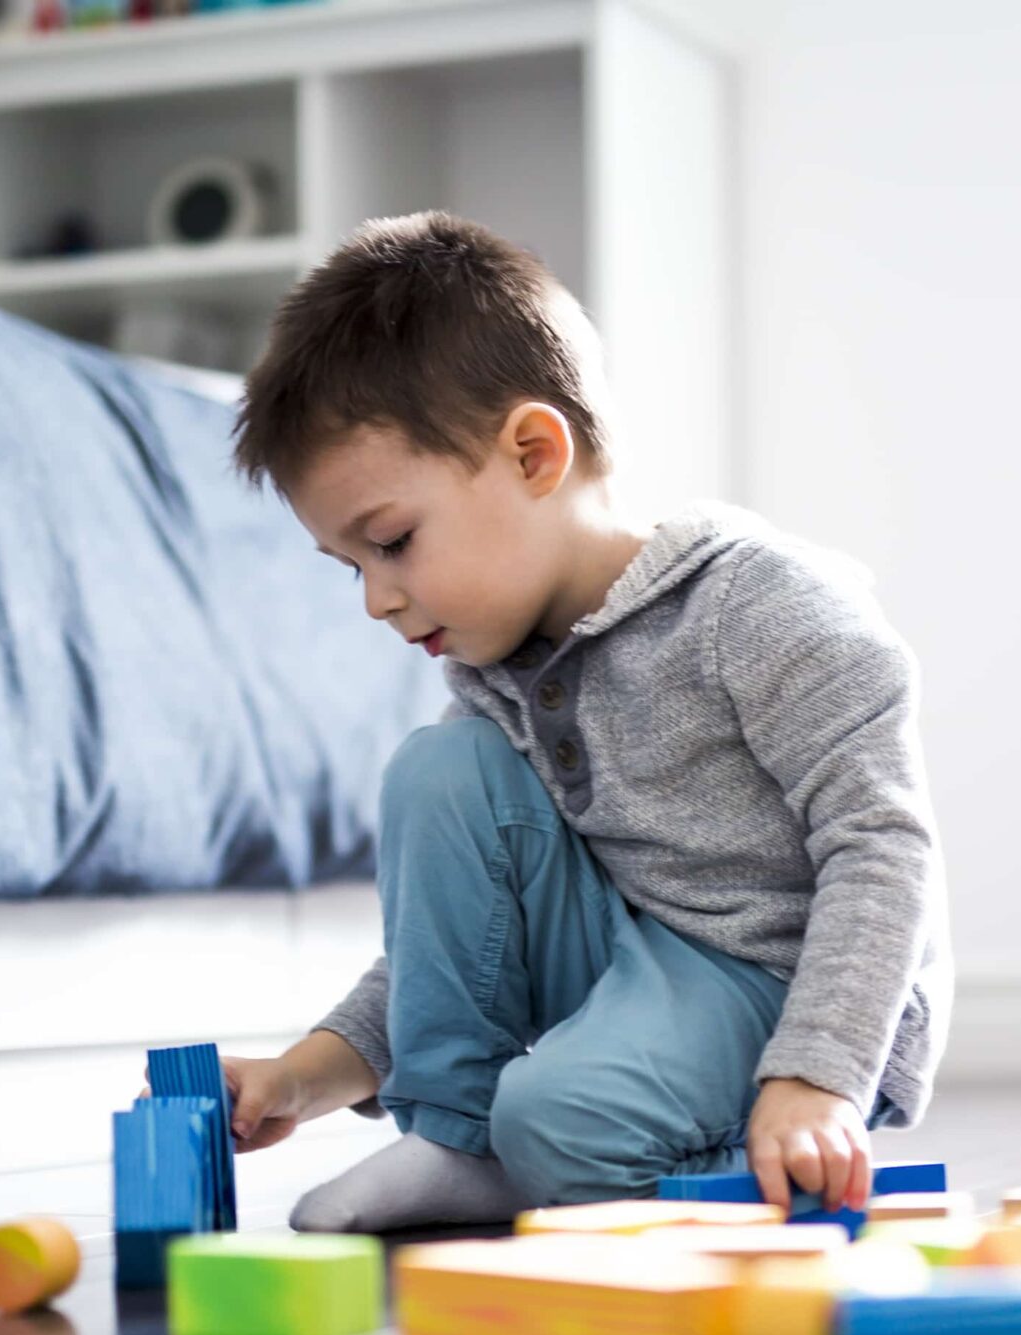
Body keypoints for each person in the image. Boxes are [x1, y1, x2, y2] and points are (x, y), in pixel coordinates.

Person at [216, 211, 950, 1232]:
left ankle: (599, 1151)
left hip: (785, 982)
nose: (376, 600)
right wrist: (301, 1077)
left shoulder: (762, 603)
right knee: (438, 770)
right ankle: (459, 1142)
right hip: (631, 965)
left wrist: (816, 1074)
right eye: (351, 566)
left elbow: (883, 848)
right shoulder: (497, 673)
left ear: (532, 453)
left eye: (391, 542)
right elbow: (462, 949)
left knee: (557, 1114)